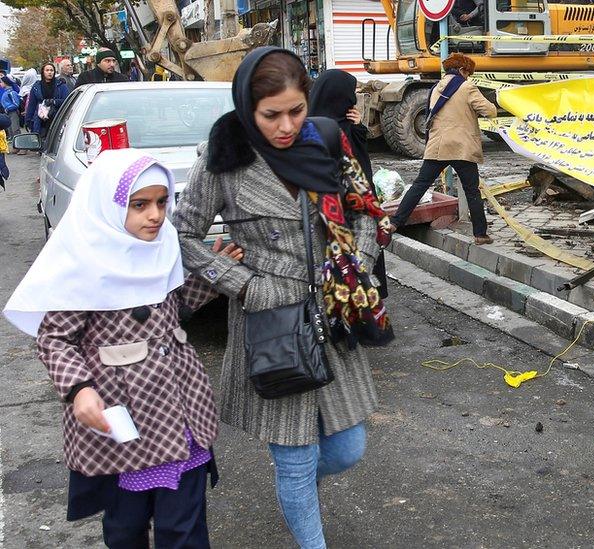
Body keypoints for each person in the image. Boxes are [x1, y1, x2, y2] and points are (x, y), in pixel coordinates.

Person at [174, 47, 394, 549]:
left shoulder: (327, 141)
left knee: (346, 448)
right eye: (271, 115)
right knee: (294, 458)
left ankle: (301, 495)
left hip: (332, 312)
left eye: (296, 110)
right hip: (270, 317)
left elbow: (366, 211)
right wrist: (243, 283)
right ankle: (304, 518)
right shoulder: (223, 158)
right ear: (247, 108)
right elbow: (183, 235)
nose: (286, 126)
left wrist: (354, 264)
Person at [2, 149, 244, 548]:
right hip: (124, 423)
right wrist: (79, 390)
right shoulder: (83, 265)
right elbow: (55, 340)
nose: (155, 215)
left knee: (183, 529)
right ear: (109, 205)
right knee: (125, 529)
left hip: (180, 411)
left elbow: (173, 308)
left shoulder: (162, 246)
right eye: (139, 204)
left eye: (162, 202)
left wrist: (211, 277)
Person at [389, 53, 497, 244]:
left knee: (419, 185)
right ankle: (480, 234)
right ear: (463, 70)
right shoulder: (467, 86)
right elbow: (490, 111)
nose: (468, 77)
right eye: (468, 73)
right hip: (462, 148)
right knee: (472, 191)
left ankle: (395, 222)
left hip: (438, 147)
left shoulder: (434, 88)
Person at [309, 69, 389, 298]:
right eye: (350, 93)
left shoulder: (328, 125)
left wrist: (358, 127)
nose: (353, 98)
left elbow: (362, 164)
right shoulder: (322, 131)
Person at [25, 62, 69, 139]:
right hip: (40, 121)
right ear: (43, 72)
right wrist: (28, 121)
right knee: (41, 143)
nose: (49, 72)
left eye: (51, 70)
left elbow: (67, 101)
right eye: (47, 70)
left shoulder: (60, 85)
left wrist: (54, 102)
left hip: (56, 119)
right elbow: (32, 104)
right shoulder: (36, 86)